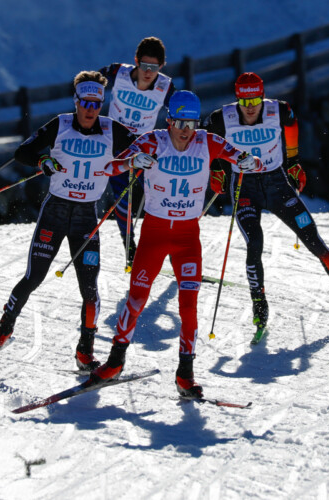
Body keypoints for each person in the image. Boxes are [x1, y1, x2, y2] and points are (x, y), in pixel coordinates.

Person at [91, 90, 261, 398]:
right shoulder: (154, 140)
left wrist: (250, 162)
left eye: (191, 123)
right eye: (180, 122)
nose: (185, 130)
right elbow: (108, 167)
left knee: (189, 306)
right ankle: (115, 362)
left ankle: (185, 374)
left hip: (186, 237)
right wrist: (132, 161)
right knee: (137, 298)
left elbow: (248, 159)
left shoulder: (207, 141)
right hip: (155, 233)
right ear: (169, 120)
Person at [0, 71, 136, 370]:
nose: (91, 110)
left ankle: (85, 351)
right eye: (85, 103)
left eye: (96, 104)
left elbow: (145, 146)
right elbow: (23, 152)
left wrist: (135, 160)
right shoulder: (61, 124)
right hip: (54, 212)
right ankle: (5, 327)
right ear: (76, 101)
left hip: (86, 218)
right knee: (34, 277)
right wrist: (42, 161)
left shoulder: (112, 129)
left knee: (89, 289)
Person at [202, 72, 329, 339]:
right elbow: (207, 139)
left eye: (255, 100)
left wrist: (293, 162)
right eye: (245, 102)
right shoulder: (222, 118)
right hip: (245, 187)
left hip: (277, 184)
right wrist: (217, 168)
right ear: (237, 100)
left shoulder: (279, 110)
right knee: (255, 241)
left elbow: (291, 125)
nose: (251, 107)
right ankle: (259, 303)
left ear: (262, 96)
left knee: (314, 239)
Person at [98, 36, 176, 264]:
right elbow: (90, 83)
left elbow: (181, 110)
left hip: (145, 145)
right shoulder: (117, 72)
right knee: (124, 197)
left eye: (154, 67)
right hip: (115, 143)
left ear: (161, 66)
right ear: (136, 61)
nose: (148, 72)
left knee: (160, 195)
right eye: (144, 65)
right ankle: (129, 246)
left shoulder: (165, 86)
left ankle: (170, 247)